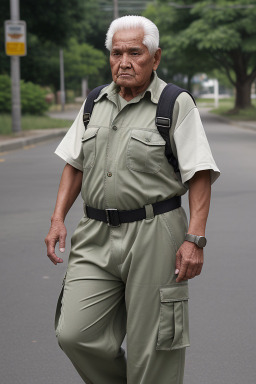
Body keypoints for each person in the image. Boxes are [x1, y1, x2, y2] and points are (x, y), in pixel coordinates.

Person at [45, 15, 220, 384]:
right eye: (116, 53)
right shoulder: (95, 101)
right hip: (94, 234)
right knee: (75, 334)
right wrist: (58, 218)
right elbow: (75, 164)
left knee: (153, 347)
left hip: (154, 233)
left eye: (134, 53)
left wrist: (195, 239)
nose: (123, 61)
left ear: (155, 58)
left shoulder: (174, 103)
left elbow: (199, 174)